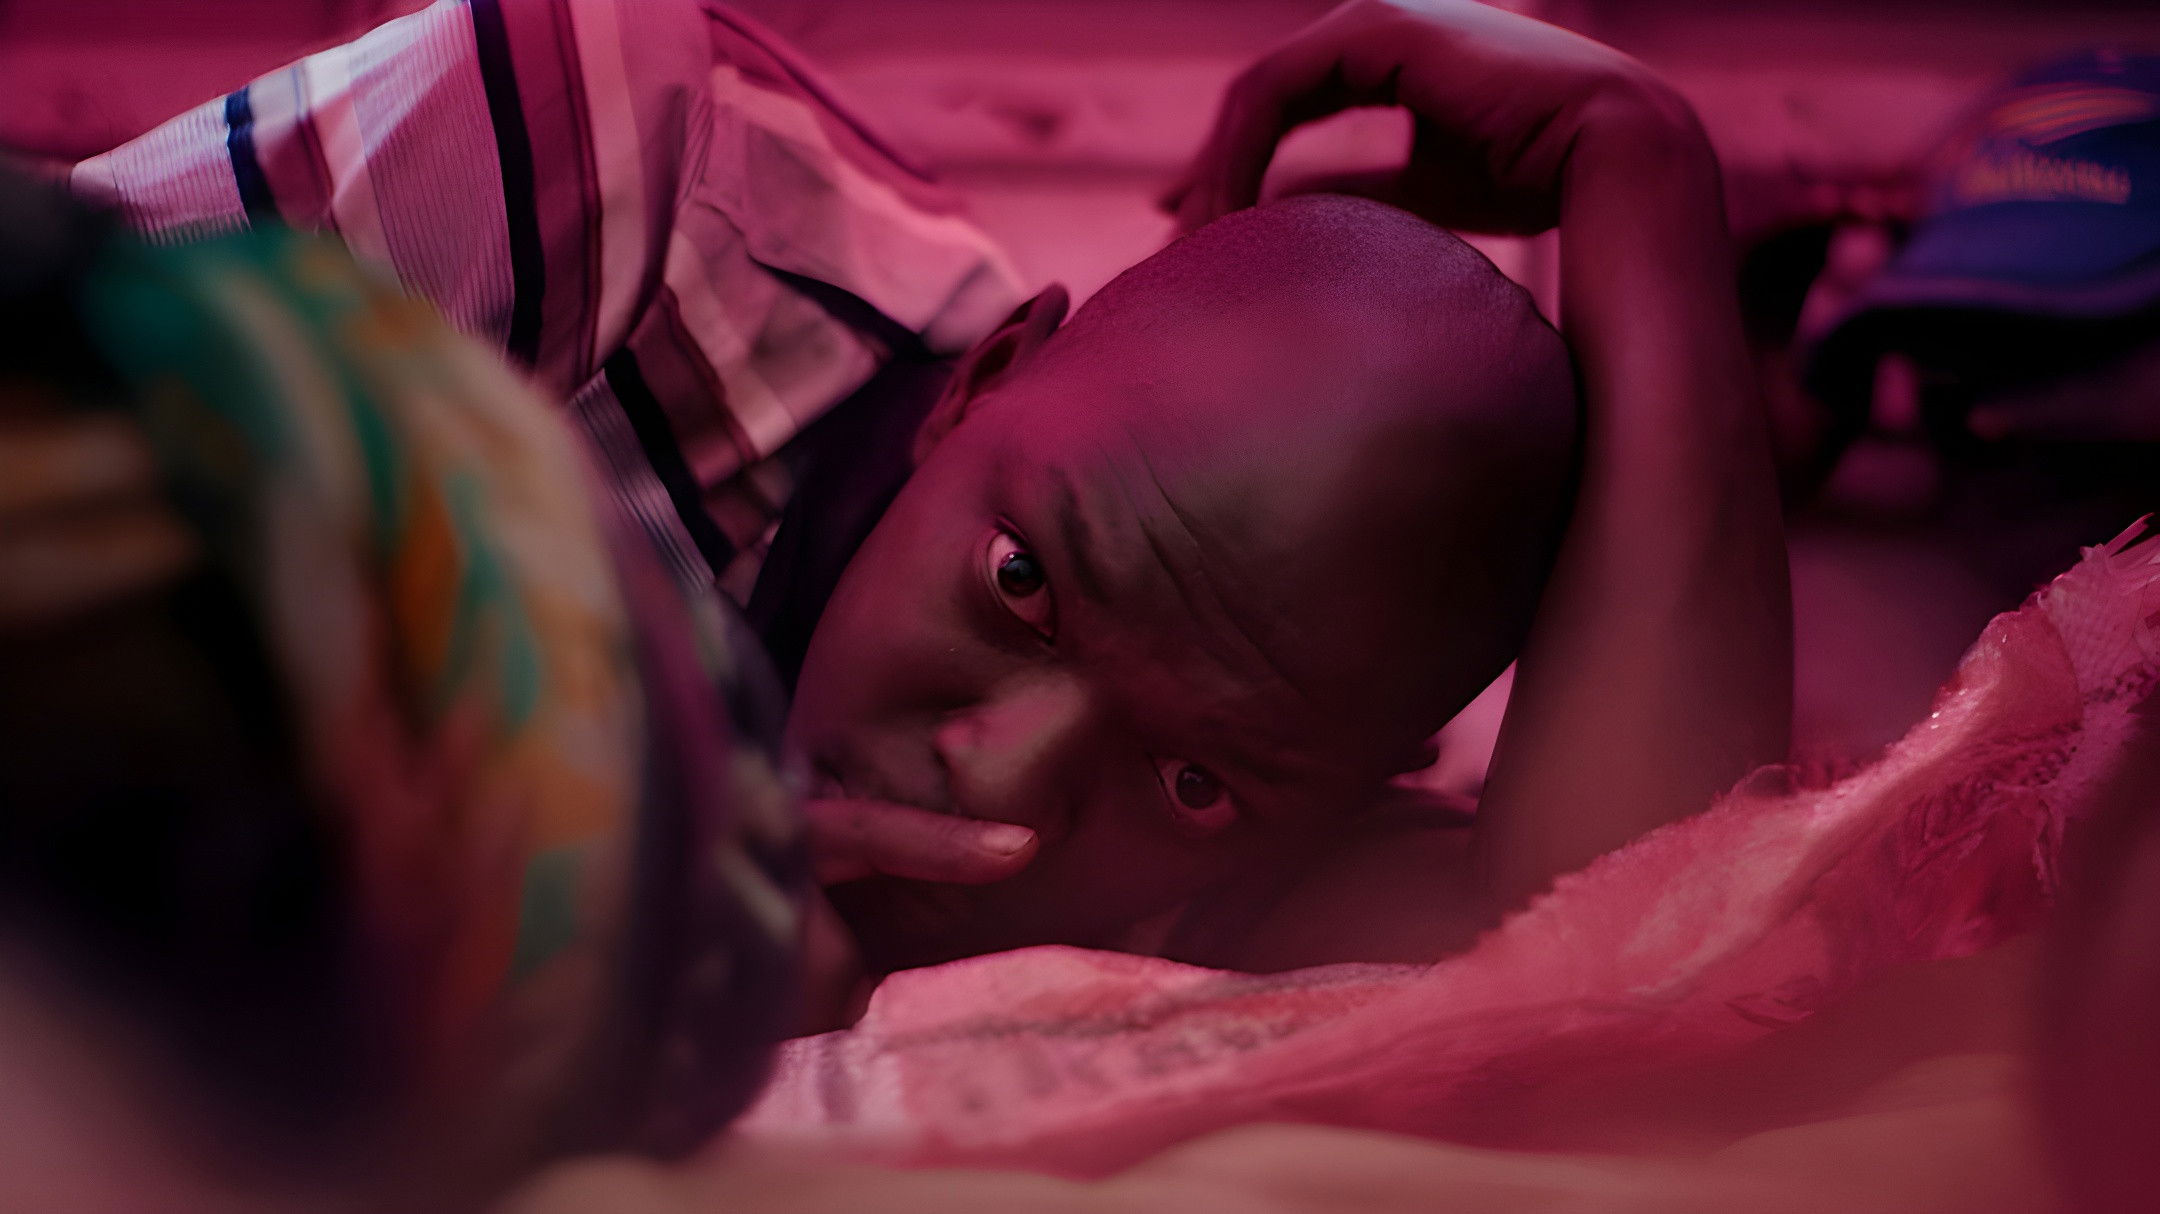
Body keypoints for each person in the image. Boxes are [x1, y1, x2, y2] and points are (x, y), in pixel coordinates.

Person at [63, 0, 1789, 984]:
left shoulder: (1245, 826)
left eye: (1193, 778)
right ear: (987, 375)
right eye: (1025, 582)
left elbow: (1625, 978)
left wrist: (1641, 167)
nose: (1006, 787)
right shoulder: (625, 162)